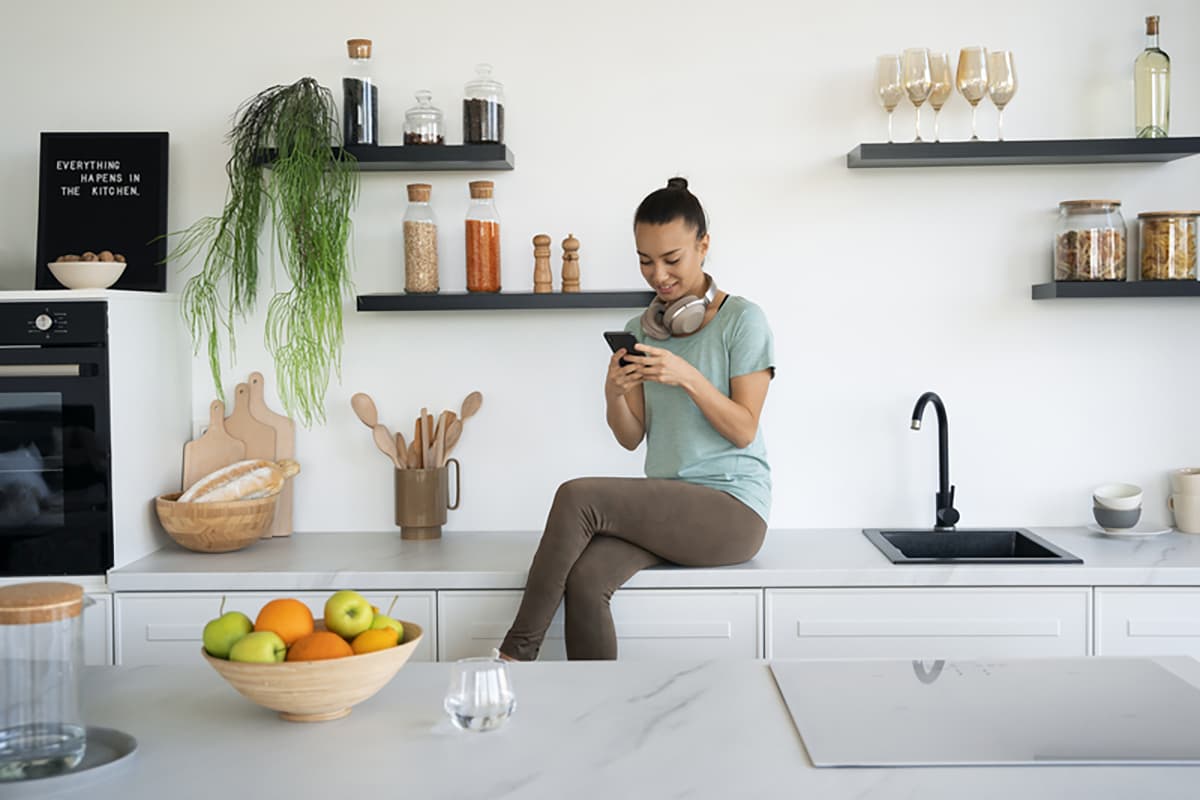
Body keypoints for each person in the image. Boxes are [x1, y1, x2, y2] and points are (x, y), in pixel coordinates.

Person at [499, 177, 774, 661]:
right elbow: (632, 438)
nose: (659, 275)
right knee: (585, 580)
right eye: (646, 261)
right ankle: (598, 716)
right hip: (668, 508)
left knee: (577, 496)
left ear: (703, 246)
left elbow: (744, 428)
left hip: (731, 511)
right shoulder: (640, 330)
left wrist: (686, 376)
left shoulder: (743, 321)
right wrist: (613, 394)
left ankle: (514, 657)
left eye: (672, 259)